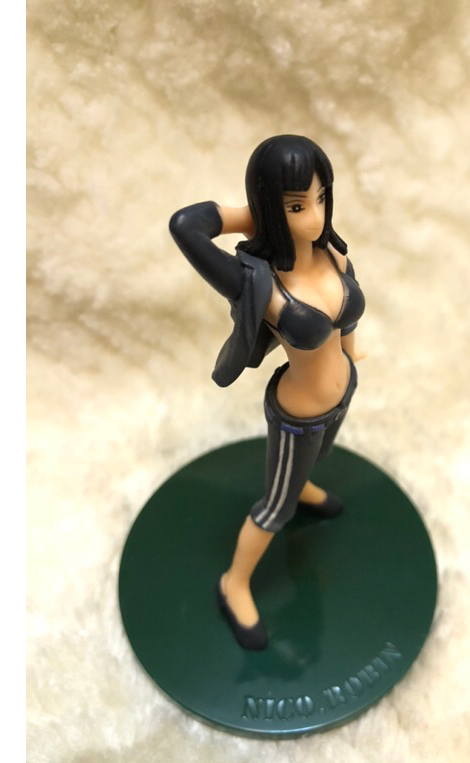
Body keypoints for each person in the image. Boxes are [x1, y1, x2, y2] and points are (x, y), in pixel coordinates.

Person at [169, 135, 365, 650]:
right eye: (297, 206)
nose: (315, 217)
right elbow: (185, 226)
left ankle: (303, 485)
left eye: (320, 198)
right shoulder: (257, 282)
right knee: (274, 509)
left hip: (343, 393)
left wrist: (352, 351)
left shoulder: (332, 254)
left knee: (319, 460)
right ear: (270, 207)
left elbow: (347, 317)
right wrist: (255, 215)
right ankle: (233, 584)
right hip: (299, 416)